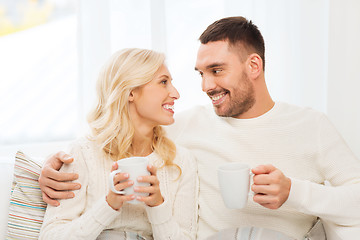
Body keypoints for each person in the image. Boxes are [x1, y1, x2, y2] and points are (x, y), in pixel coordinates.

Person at [39, 17, 360, 240]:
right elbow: (121, 135)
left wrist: (295, 192)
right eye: (200, 73)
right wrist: (50, 167)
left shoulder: (310, 125)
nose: (206, 86)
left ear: (254, 66)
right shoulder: (182, 128)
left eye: (216, 70)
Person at [39, 48, 198, 240]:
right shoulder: (83, 153)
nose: (176, 93)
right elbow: (51, 236)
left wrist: (157, 205)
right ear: (131, 92)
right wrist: (108, 205)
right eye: (163, 82)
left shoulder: (181, 161)